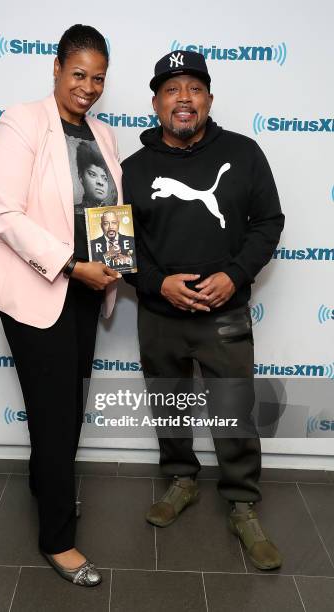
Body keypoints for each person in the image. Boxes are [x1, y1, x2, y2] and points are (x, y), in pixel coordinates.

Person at [122, 51, 285, 571]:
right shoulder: (131, 169)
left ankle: (242, 504)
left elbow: (269, 222)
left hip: (225, 312)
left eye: (193, 88)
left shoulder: (245, 153)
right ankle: (181, 479)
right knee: (168, 404)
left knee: (234, 409)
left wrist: (234, 275)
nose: (183, 99)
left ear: (209, 99)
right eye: (172, 90)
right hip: (160, 312)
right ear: (156, 103)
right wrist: (158, 284)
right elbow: (115, 248)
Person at [0, 24, 122, 587]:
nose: (88, 87)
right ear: (56, 68)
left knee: (67, 406)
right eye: (79, 73)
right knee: (55, 413)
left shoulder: (103, 135)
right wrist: (69, 262)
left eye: (99, 78)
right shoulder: (23, 121)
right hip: (40, 290)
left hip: (85, 291)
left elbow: (107, 210)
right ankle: (57, 539)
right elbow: (5, 213)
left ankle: (49, 484)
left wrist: (110, 261)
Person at [76, 140, 110, 213]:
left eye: (104, 178)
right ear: (81, 176)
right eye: (93, 174)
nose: (100, 182)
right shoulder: (72, 211)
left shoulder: (115, 213)